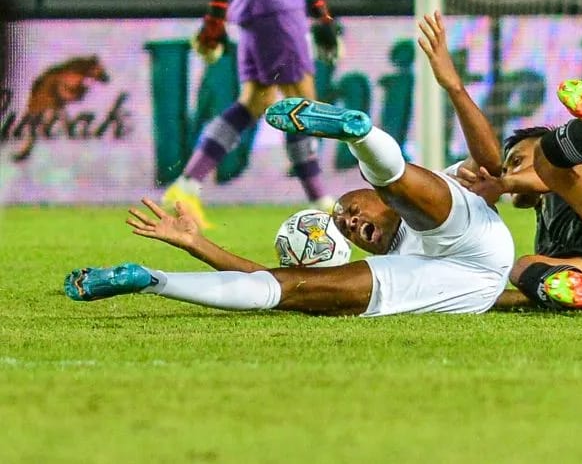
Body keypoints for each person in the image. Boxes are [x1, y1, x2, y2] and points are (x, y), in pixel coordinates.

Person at [63, 38, 515, 316]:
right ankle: (148, 279)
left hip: (475, 248)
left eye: (352, 210)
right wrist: (194, 245)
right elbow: (269, 278)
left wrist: (455, 88)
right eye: (348, 228)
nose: (354, 224)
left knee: (407, 193)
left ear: (365, 193)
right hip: (443, 286)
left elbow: (492, 163)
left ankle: (358, 132)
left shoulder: (448, 183)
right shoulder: (384, 259)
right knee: (296, 293)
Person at [417, 11, 582, 310]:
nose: (510, 170)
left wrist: (455, 88)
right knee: (524, 266)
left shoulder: (558, 178)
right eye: (508, 167)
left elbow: (527, 171)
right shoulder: (548, 237)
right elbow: (510, 294)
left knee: (551, 161)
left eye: (516, 159)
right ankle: (580, 287)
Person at [161, 0, 342, 229]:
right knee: (305, 104)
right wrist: (216, 12)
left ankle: (187, 184)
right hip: (276, 5)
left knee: (256, 100)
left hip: (271, 6)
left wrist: (318, 9)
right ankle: (322, 204)